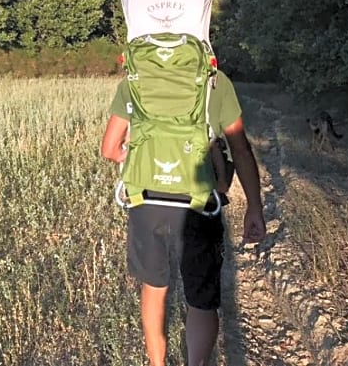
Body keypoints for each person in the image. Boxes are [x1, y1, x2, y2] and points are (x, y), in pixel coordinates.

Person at [101, 69, 266, 366]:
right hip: (198, 204)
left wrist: (139, 159)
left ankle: (156, 363)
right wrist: (254, 207)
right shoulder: (217, 81)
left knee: (154, 287)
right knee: (201, 301)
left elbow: (110, 149)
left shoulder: (136, 78)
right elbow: (240, 148)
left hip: (147, 201)